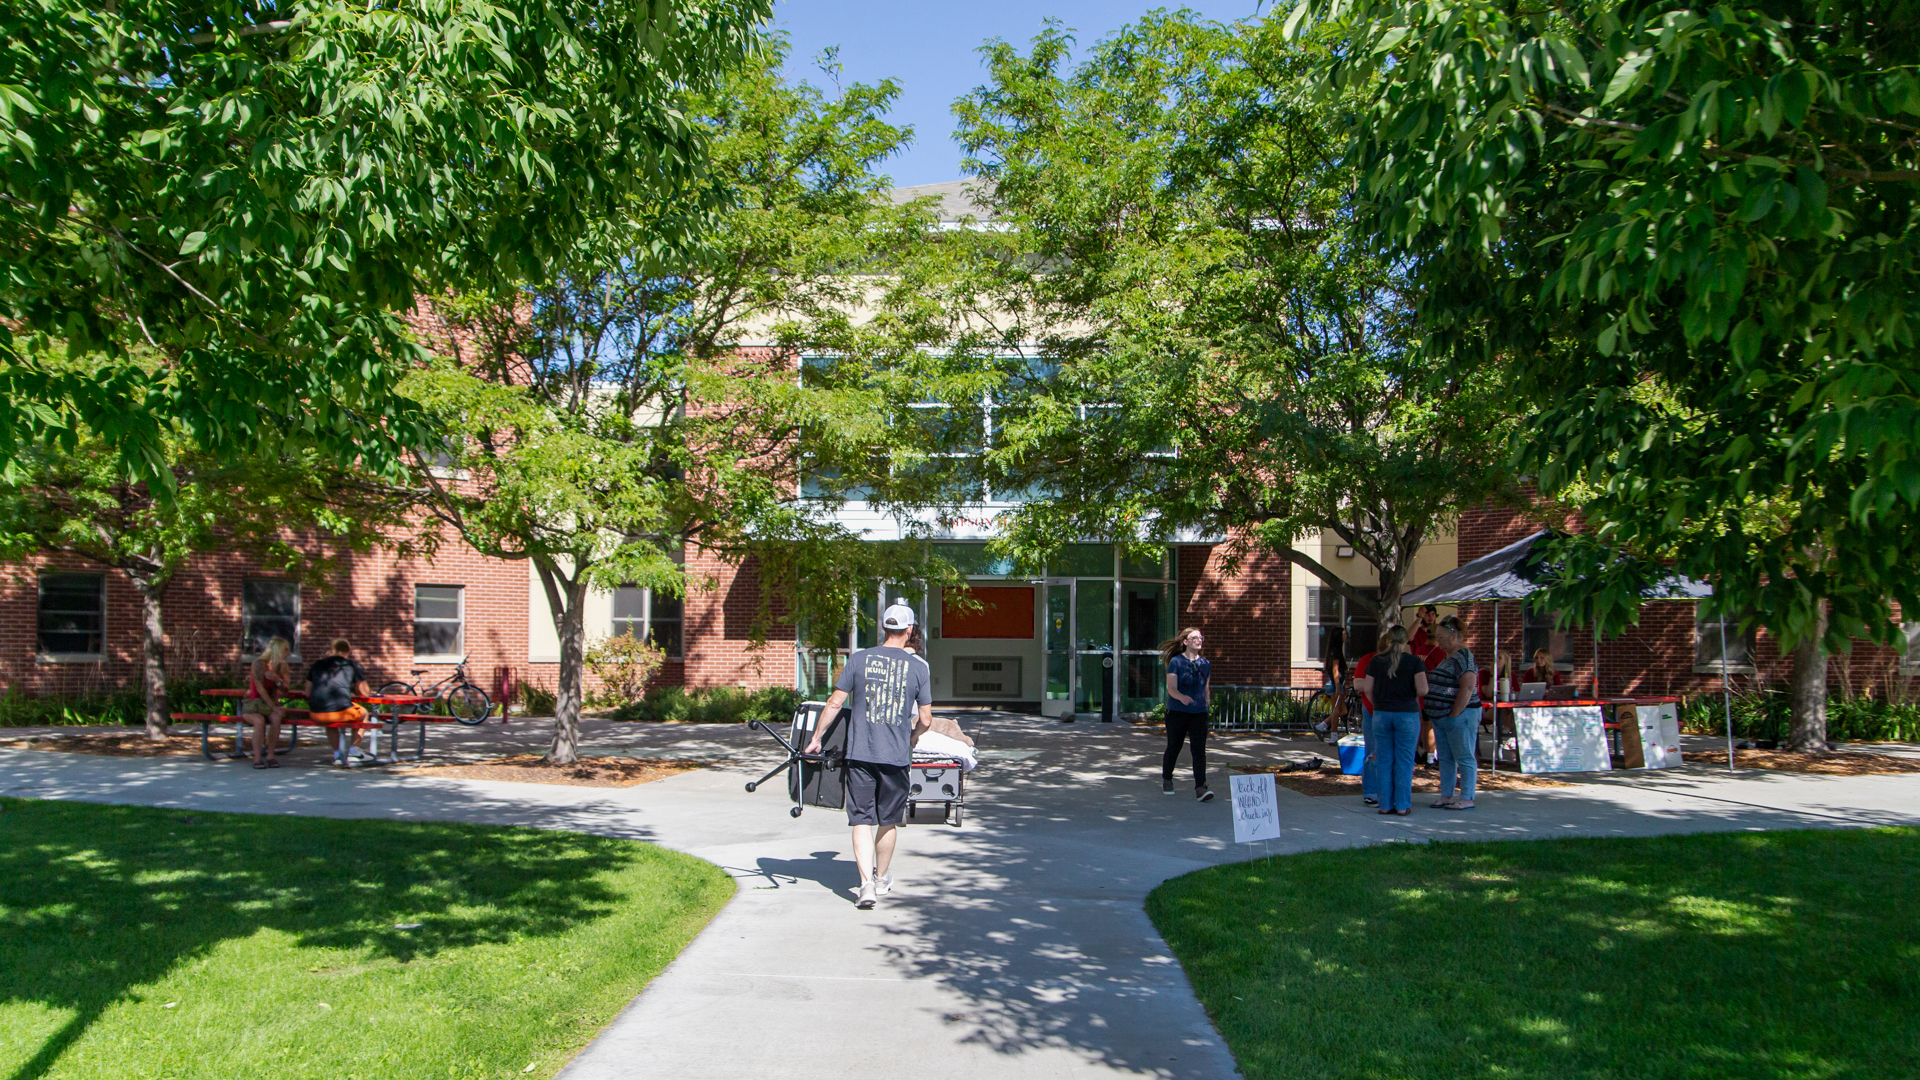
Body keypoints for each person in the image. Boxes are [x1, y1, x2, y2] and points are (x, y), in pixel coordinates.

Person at [805, 599, 933, 910]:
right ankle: (881, 877)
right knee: (887, 820)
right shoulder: (918, 667)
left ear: (884, 628)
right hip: (895, 757)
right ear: (910, 630)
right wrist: (912, 739)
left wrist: (816, 739)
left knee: (861, 819)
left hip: (860, 753)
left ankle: (864, 886)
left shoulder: (859, 659)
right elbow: (926, 719)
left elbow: (835, 703)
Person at [1355, 625, 1428, 815]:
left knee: (1384, 759)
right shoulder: (1414, 662)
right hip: (1407, 714)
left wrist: (1377, 703)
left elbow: (1368, 688)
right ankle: (1402, 805)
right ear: (1406, 642)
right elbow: (1423, 690)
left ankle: (1385, 804)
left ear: (1387, 640)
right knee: (1404, 760)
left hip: (1381, 714)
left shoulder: (1375, 661)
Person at [1423, 616, 1482, 810]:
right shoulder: (1446, 657)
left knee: (1464, 755)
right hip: (1442, 718)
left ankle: (1467, 797)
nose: (1437, 640)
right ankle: (1446, 795)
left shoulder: (1464, 656)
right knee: (1446, 757)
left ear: (1454, 636)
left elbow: (1468, 687)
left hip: (1460, 716)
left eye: (1441, 636)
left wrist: (1455, 714)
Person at [1159, 627, 1214, 801]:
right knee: (1174, 746)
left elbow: (1206, 688)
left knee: (1199, 750)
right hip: (1177, 711)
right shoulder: (1176, 662)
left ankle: (1200, 787)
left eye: (1200, 637)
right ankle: (1167, 778)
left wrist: (1206, 707)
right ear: (1185, 642)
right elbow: (1171, 688)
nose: (1199, 640)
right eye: (1194, 637)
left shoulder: (1205, 664)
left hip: (1199, 712)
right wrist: (1181, 697)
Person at [305, 638, 372, 767]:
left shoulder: (317, 664)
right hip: (341, 711)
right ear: (348, 652)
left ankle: (337, 755)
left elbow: (307, 692)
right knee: (364, 714)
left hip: (317, 713)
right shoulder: (351, 665)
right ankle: (354, 751)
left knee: (330, 721)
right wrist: (353, 693)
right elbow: (365, 692)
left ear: (331, 651)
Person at [241, 637, 293, 768]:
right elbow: (260, 688)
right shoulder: (259, 663)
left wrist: (277, 680)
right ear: (277, 650)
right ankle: (257, 758)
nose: (288, 653)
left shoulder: (282, 666)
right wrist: (273, 706)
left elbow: (286, 689)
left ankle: (271, 755)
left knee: (276, 718)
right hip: (254, 703)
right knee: (259, 721)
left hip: (270, 704)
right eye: (285, 649)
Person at [1354, 630, 1392, 807]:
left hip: (1394, 712)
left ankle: (1389, 791)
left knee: (1392, 752)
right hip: (1372, 711)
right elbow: (1358, 684)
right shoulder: (1368, 660)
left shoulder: (1401, 661)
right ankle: (1370, 791)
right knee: (1372, 751)